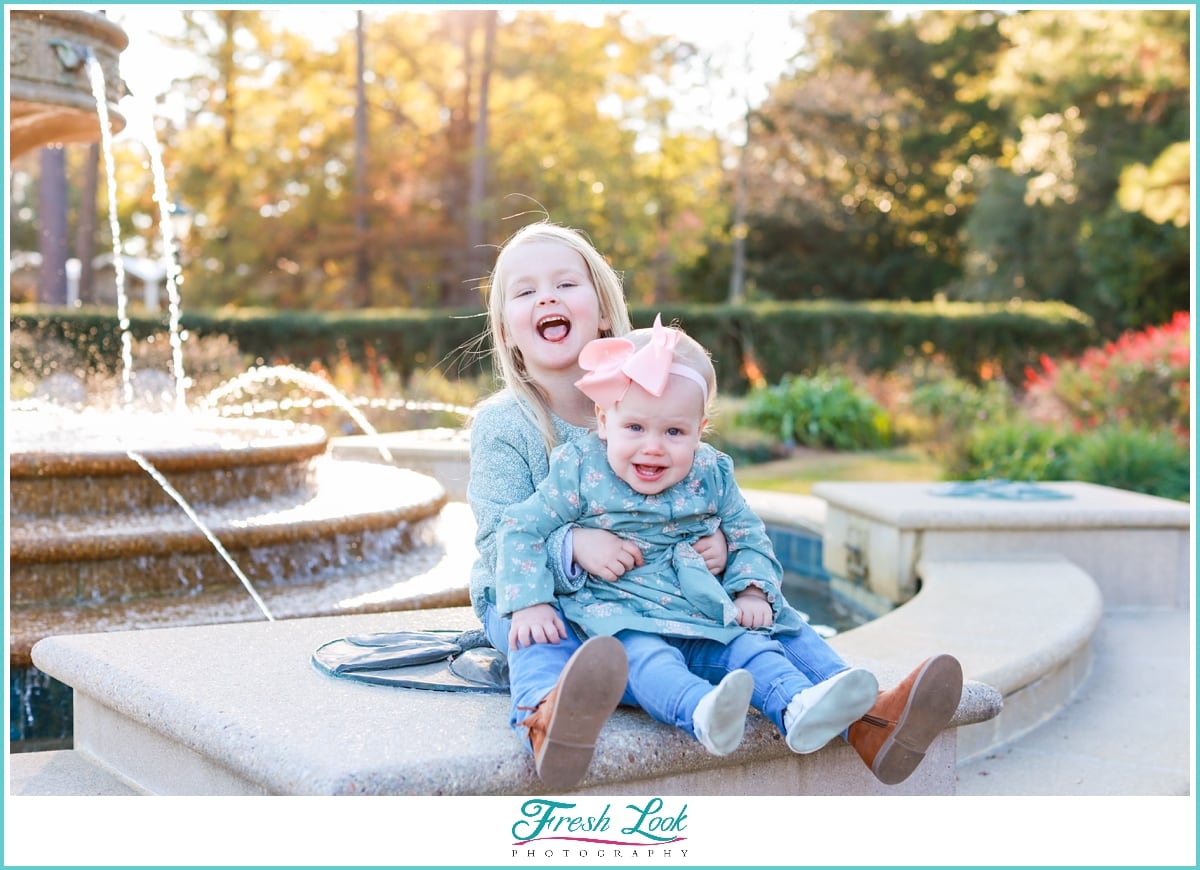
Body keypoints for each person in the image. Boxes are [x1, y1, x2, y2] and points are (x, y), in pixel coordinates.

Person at [468, 219, 962, 790]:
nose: (546, 297)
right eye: (525, 292)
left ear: (603, 312)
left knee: (772, 617)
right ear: (506, 329)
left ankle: (870, 716)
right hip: (532, 590)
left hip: (653, 582)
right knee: (547, 635)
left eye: (564, 285)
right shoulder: (506, 424)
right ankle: (549, 717)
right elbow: (497, 536)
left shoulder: (653, 399)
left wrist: (729, 552)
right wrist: (574, 545)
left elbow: (703, 503)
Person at [495, 316, 883, 760]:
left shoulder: (710, 474)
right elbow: (521, 527)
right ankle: (700, 709)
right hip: (620, 611)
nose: (654, 446)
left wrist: (752, 590)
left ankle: (797, 705)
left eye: (674, 432)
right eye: (635, 428)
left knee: (752, 644)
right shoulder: (581, 469)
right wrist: (531, 601)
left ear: (700, 431)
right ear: (604, 420)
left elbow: (748, 532)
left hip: (699, 608)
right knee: (644, 657)